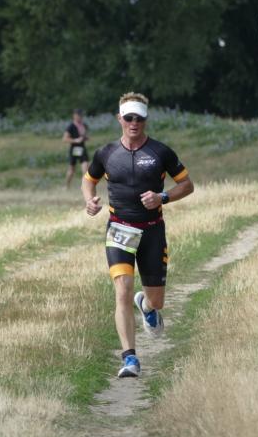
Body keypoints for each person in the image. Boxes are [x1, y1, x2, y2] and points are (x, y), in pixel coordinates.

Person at [82, 92, 194, 378]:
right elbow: (88, 180)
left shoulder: (160, 152)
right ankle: (130, 358)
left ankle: (147, 306)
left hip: (152, 230)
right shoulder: (106, 153)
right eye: (129, 118)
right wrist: (89, 201)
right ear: (119, 118)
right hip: (119, 229)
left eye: (139, 118)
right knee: (122, 290)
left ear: (146, 119)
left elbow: (187, 185)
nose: (134, 123)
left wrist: (162, 197)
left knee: (157, 301)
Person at [63, 109, 90, 187]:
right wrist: (76, 140)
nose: (80, 117)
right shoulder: (71, 126)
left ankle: (84, 187)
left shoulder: (84, 125)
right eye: (79, 115)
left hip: (82, 148)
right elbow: (64, 139)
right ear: (74, 116)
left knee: (85, 168)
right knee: (72, 170)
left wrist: (86, 138)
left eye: (81, 115)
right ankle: (66, 186)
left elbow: (85, 135)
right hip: (74, 148)